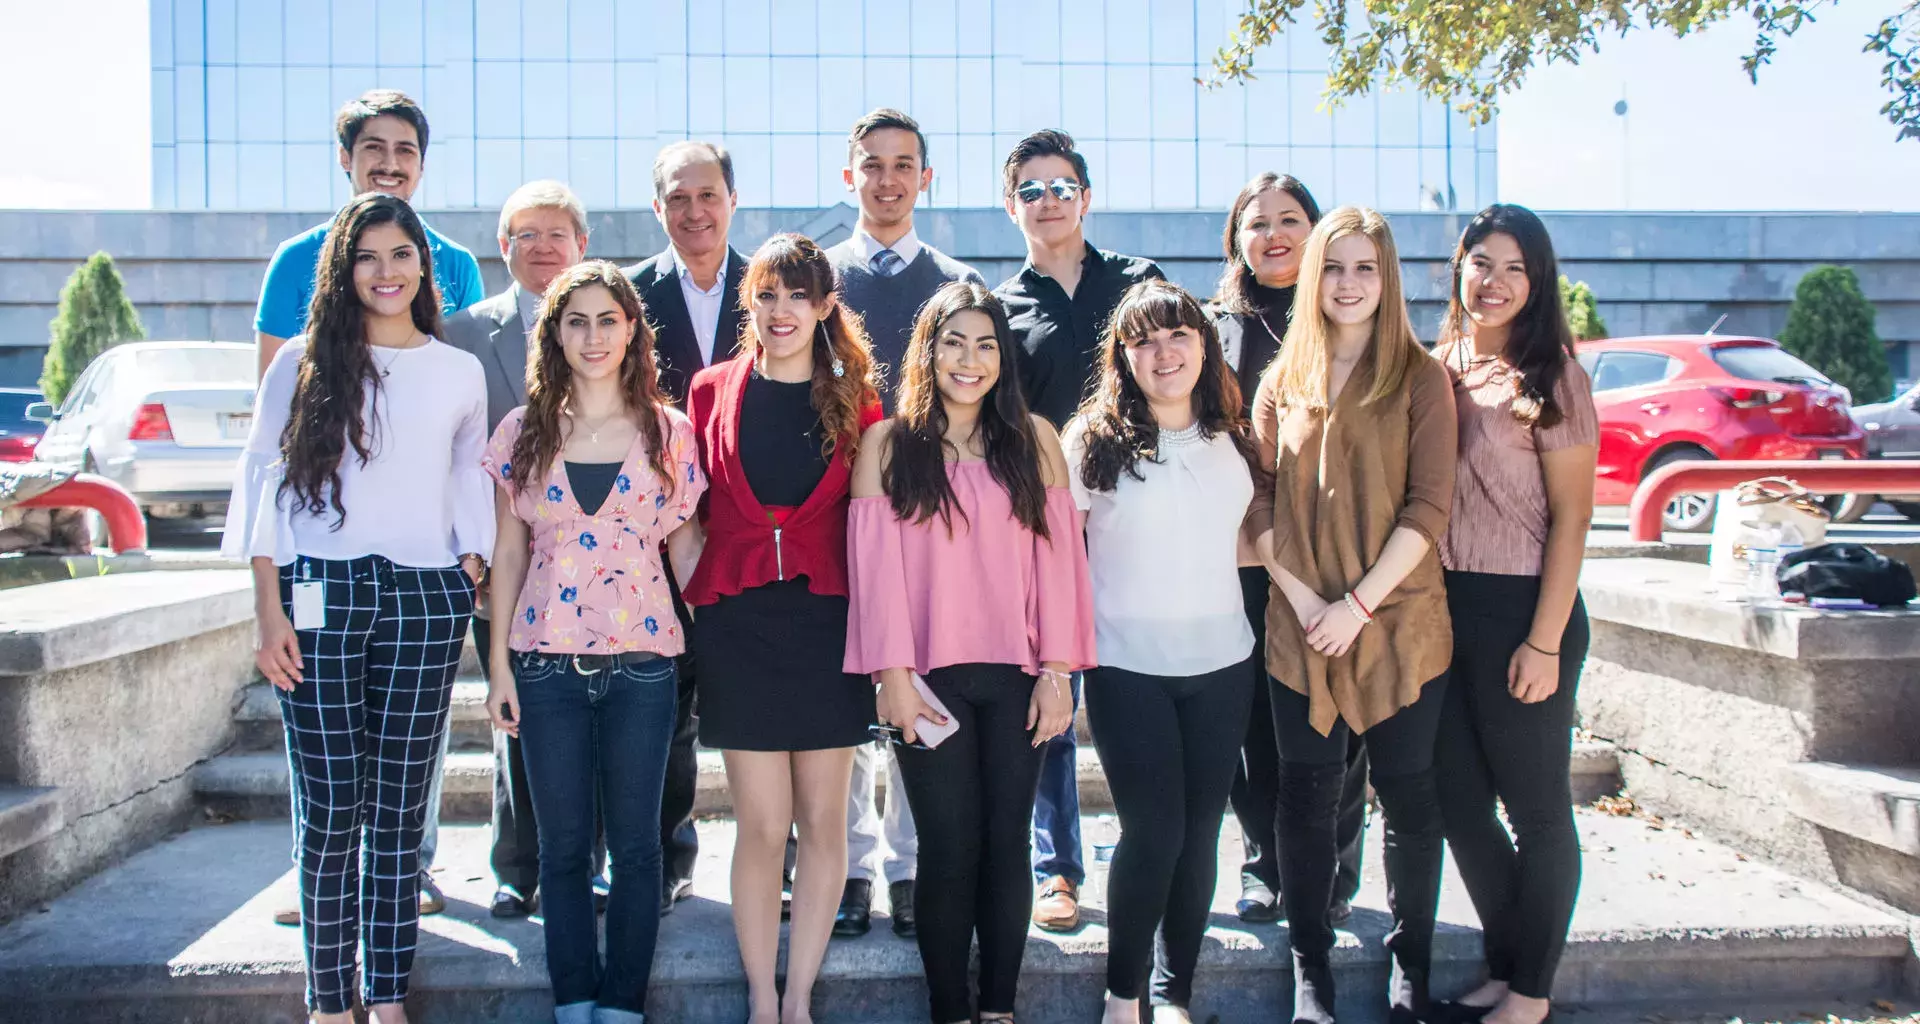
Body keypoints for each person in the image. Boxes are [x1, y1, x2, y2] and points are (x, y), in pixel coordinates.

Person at [224, 191, 492, 1024]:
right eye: (367, 257)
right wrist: (267, 612)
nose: (386, 272)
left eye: (401, 255)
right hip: (320, 596)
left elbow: (466, 482)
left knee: (401, 809)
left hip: (423, 595)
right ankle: (329, 1001)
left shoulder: (457, 369)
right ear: (344, 269)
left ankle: (386, 996)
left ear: (424, 266)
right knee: (334, 807)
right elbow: (262, 483)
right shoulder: (302, 360)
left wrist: (468, 572)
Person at [252, 90, 484, 922]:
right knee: (323, 755)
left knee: (404, 756)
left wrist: (468, 548)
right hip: (325, 550)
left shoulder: (451, 262)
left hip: (418, 557)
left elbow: (446, 409)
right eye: (374, 148)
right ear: (345, 156)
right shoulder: (296, 260)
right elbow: (283, 419)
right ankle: (316, 877)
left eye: (406, 151)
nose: (389, 162)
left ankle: (405, 868)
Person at [846, 281, 1094, 1024]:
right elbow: (875, 569)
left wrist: (1058, 673)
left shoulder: (1035, 441)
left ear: (1003, 358)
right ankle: (949, 1010)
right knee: (948, 848)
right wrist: (891, 675)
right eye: (954, 340)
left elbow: (1060, 565)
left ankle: (999, 1011)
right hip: (927, 682)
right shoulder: (887, 446)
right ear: (928, 348)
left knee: (1006, 843)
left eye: (986, 343)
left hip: (1019, 676)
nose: (970, 358)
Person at [1245, 206, 1458, 1024]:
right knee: (1302, 801)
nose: (1348, 283)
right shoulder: (1282, 380)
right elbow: (1257, 498)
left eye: (1365, 268)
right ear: (1312, 276)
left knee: (1408, 799)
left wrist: (1360, 604)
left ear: (1388, 277)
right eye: (1334, 267)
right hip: (1302, 626)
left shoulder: (1419, 377)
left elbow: (1430, 505)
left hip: (1398, 621)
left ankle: (1412, 971)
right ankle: (1312, 975)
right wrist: (1307, 602)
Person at [481, 260, 705, 1024]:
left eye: (608, 318)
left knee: (640, 851)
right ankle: (574, 1001)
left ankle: (622, 1006)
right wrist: (499, 670)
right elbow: (508, 555)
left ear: (633, 329)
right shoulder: (523, 430)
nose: (594, 334)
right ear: (555, 334)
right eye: (576, 320)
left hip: (645, 670)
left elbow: (688, 555)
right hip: (546, 667)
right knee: (563, 851)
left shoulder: (668, 432)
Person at [681, 234, 883, 1024]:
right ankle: (761, 998)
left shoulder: (859, 401)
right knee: (762, 825)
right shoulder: (708, 392)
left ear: (826, 305)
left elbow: (875, 527)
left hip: (829, 624)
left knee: (823, 820)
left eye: (797, 295)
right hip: (739, 625)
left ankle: (800, 997)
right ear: (749, 303)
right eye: (766, 294)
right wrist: (696, 595)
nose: (780, 310)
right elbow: (684, 512)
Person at [1063, 280, 1259, 1024]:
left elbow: (1250, 539)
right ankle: (1124, 995)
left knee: (1203, 831)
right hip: (1125, 664)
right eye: (1143, 339)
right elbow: (1056, 556)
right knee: (1155, 831)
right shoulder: (1091, 439)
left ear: (1204, 346)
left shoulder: (1235, 436)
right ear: (1123, 356)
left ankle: (1175, 992)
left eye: (1178, 334)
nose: (1163, 351)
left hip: (1222, 663)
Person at [990, 129, 1161, 932]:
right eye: (1031, 188)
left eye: (1062, 186)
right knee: (1049, 702)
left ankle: (1154, 854)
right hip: (1047, 527)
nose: (1048, 200)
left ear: (1086, 198)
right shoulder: (1002, 307)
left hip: (1143, 523)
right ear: (1010, 203)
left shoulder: (1137, 284)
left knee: (1140, 701)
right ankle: (1057, 870)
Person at [1430, 205, 1598, 1024]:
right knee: (1458, 801)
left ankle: (1532, 992)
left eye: (1514, 268)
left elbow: (1573, 517)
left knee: (1535, 811)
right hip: (1445, 611)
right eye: (1480, 263)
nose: (1493, 282)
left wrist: (1543, 639)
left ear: (1537, 283)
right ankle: (1507, 962)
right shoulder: (1440, 364)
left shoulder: (1554, 374)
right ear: (1458, 268)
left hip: (1528, 607)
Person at [822, 107, 985, 939]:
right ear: (848, 175)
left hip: (932, 526)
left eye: (904, 164)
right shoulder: (818, 284)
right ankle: (847, 869)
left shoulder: (959, 284)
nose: (887, 179)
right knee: (845, 703)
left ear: (926, 178)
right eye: (871, 164)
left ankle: (912, 866)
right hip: (829, 519)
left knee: (926, 693)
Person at [442, 179, 603, 920]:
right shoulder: (462, 335)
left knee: (595, 720)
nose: (543, 249)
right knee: (513, 718)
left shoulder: (609, 324)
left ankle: (591, 862)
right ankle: (517, 866)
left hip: (595, 570)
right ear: (503, 248)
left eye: (556, 235)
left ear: (582, 247)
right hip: (499, 566)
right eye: (526, 236)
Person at [1212, 173, 1370, 927]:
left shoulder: (1350, 318)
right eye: (1256, 222)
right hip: (1242, 552)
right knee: (1251, 724)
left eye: (1290, 219)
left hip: (1335, 556)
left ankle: (1334, 871)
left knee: (1333, 716)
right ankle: (1264, 865)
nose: (1274, 235)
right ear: (1236, 240)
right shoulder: (1213, 329)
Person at [623, 139, 749, 913]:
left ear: (732, 199)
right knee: (664, 710)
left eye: (708, 195)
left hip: (754, 533)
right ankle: (670, 856)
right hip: (651, 542)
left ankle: (784, 855)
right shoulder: (629, 296)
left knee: (768, 705)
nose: (695, 212)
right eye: (678, 198)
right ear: (659, 206)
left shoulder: (773, 289)